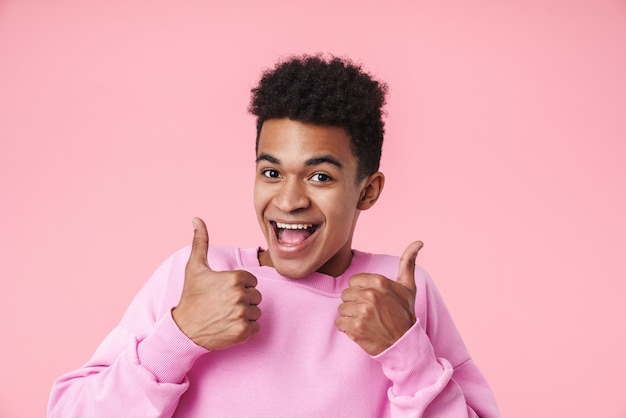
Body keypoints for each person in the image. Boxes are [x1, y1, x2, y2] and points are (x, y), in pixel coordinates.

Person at [47, 55, 501, 417]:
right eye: (271, 172)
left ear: (367, 191)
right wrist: (178, 338)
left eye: (319, 177)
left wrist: (409, 356)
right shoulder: (196, 280)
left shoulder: (401, 294)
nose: (288, 200)